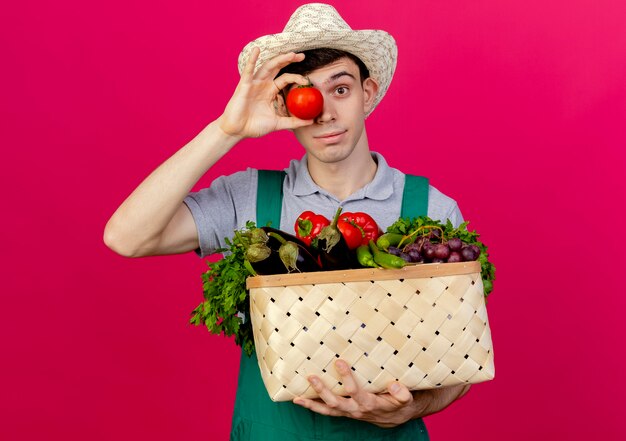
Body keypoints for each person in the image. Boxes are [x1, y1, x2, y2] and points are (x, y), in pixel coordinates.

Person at [104, 3, 470, 439]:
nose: (325, 115)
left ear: (367, 93)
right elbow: (126, 237)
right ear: (284, 104)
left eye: (340, 90)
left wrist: (409, 410)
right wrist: (228, 129)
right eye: (305, 95)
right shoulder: (247, 197)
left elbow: (461, 359)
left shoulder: (431, 210)